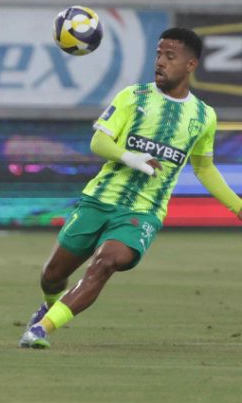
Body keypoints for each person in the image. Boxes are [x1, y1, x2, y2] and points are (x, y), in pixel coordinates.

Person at [20, 27, 242, 349]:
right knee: (52, 275)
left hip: (144, 211)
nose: (160, 62)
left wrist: (238, 206)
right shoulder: (133, 96)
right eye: (158, 54)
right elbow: (99, 141)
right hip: (99, 200)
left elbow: (204, 168)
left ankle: (41, 330)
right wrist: (130, 157)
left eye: (170, 56)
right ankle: (49, 305)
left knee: (106, 262)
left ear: (190, 65)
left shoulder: (204, 116)